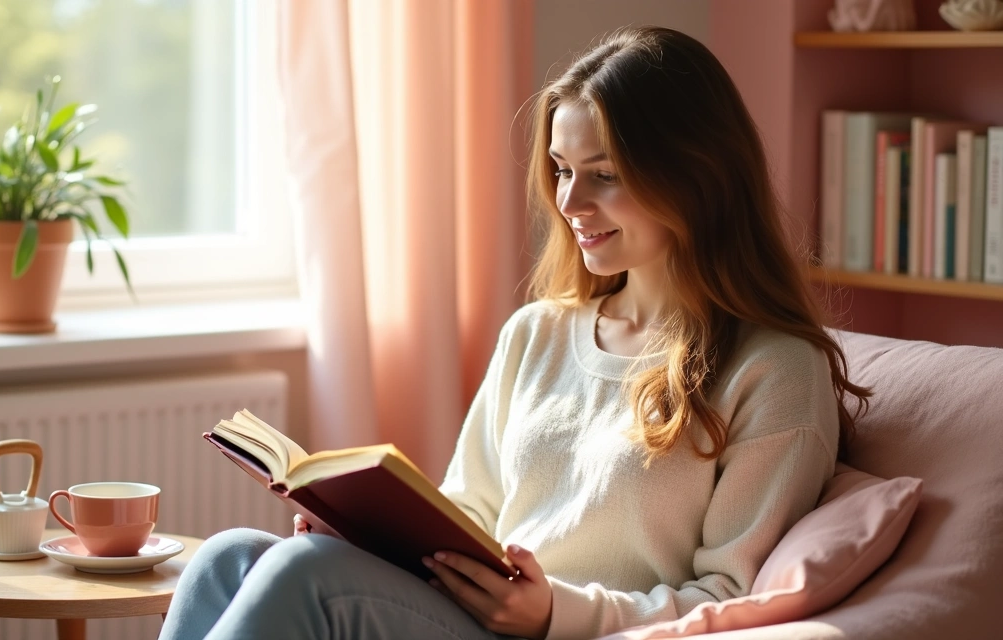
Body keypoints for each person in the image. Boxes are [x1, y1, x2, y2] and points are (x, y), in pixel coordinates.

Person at [158, 25, 870, 640]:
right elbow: (469, 512)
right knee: (227, 555)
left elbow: (731, 605)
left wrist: (554, 612)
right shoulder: (539, 333)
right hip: (466, 611)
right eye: (561, 170)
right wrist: (366, 539)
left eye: (604, 175)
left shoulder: (774, 371)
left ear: (696, 176)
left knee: (302, 576)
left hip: (555, 632)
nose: (569, 202)